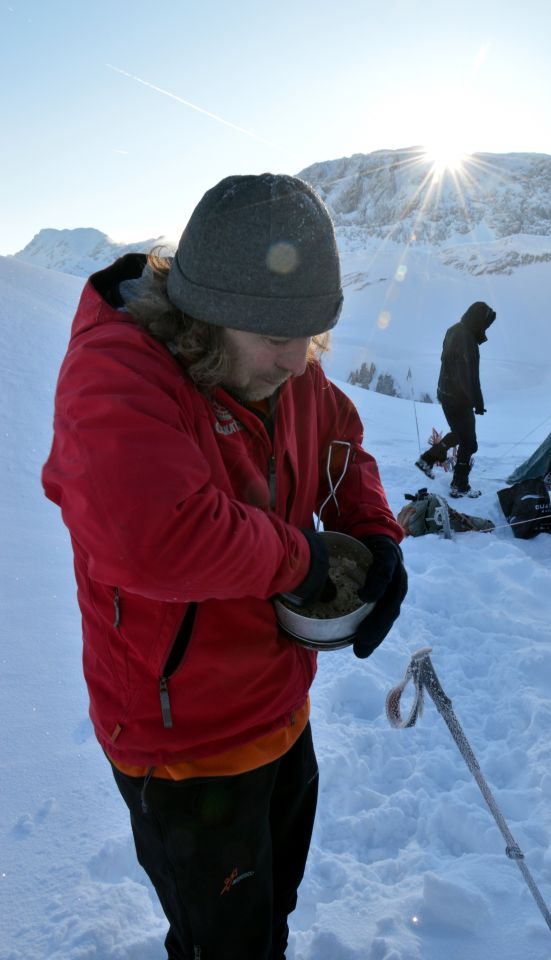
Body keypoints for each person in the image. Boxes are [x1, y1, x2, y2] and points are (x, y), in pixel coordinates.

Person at [41, 173, 407, 960]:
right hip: (183, 745)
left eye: (309, 336)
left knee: (268, 914)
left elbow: (341, 441)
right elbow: (153, 534)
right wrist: (299, 557)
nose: (295, 359)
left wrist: (374, 538)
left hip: (278, 709)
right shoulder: (118, 375)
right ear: (206, 316)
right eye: (275, 337)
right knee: (223, 944)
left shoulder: (288, 368)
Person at [415, 300, 496, 497]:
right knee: (469, 443)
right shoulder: (468, 340)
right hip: (460, 398)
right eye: (485, 324)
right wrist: (477, 402)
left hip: (445, 393)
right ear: (478, 321)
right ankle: (459, 485)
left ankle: (427, 459)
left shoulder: (453, 331)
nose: (486, 328)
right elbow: (470, 376)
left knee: (459, 435)